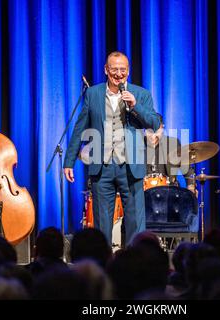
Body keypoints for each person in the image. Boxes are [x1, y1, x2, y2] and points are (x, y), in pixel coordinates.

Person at [64, 51, 160, 246]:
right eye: (114, 69)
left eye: (123, 70)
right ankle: (103, 266)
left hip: (130, 167)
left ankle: (134, 264)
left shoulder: (141, 94)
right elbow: (79, 128)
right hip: (103, 166)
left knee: (135, 223)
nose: (119, 74)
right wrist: (69, 161)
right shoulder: (93, 93)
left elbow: (154, 123)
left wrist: (135, 106)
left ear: (128, 71)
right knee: (101, 224)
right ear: (106, 70)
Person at [145, 113, 197, 195]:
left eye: (156, 131)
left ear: (162, 128)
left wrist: (191, 186)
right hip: (144, 194)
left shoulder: (173, 143)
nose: (153, 136)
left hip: (169, 193)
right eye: (149, 131)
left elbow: (186, 168)